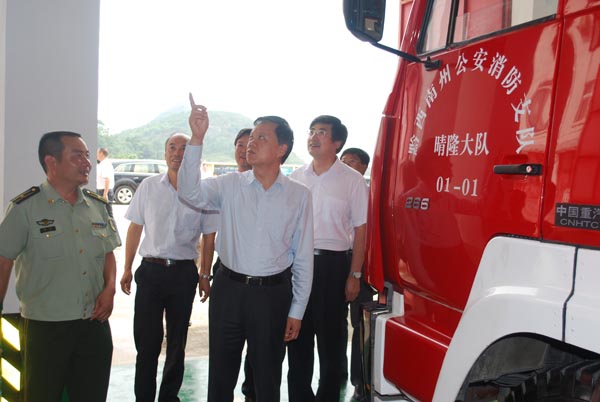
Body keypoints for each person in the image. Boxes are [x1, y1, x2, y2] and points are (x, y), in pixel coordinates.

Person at [179, 94, 314, 402]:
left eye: (262, 138)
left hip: (272, 296)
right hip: (229, 290)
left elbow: (303, 258)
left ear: (281, 149)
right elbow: (189, 192)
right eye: (251, 137)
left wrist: (297, 311)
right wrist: (197, 138)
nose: (251, 143)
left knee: (267, 377)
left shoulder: (299, 196)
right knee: (221, 375)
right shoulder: (229, 185)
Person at [0, 131, 121, 402]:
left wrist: (110, 288)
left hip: (93, 323)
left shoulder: (97, 206)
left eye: (87, 156)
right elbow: (3, 260)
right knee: (41, 395)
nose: (87, 162)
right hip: (46, 327)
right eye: (77, 156)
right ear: (51, 162)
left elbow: (108, 253)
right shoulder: (25, 208)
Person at [119, 132, 218, 402]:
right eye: (172, 147)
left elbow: (209, 237)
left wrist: (205, 274)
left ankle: (168, 397)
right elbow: (135, 228)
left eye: (184, 148)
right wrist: (127, 267)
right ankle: (144, 397)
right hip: (150, 273)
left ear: (193, 155)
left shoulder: (203, 192)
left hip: (183, 275)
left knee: (177, 342)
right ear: (165, 154)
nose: (177, 153)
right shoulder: (149, 186)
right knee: (147, 343)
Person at [287, 116, 369, 402]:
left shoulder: (352, 180)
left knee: (331, 341)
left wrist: (355, 274)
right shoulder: (296, 177)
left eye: (321, 132)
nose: (313, 137)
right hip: (298, 264)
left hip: (334, 266)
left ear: (337, 142)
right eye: (311, 131)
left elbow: (361, 230)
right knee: (297, 335)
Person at [340, 147, 374, 401]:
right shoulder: (337, 191)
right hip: (337, 262)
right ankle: (338, 370)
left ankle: (360, 383)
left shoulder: (369, 194)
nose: (346, 165)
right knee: (334, 321)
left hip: (361, 268)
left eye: (352, 162)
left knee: (360, 325)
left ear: (364, 167)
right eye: (343, 161)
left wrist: (357, 273)